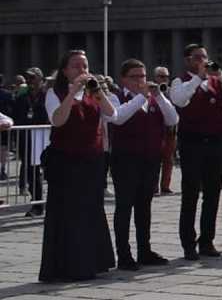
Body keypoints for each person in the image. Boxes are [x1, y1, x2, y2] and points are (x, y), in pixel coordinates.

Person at [39, 50, 117, 282]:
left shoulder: (93, 93)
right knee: (68, 212)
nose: (82, 70)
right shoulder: (55, 92)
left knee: (90, 210)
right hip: (65, 160)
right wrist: (72, 92)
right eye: (76, 66)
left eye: (85, 66)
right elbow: (58, 119)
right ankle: (68, 265)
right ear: (65, 71)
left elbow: (112, 114)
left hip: (91, 159)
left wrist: (99, 92)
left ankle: (92, 261)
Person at [171, 44, 222, 260]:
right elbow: (180, 100)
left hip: (215, 142)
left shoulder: (217, 81)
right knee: (191, 194)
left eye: (204, 57)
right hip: (192, 143)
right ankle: (188, 243)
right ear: (187, 60)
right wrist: (198, 78)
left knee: (213, 193)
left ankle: (207, 240)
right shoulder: (181, 81)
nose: (202, 61)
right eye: (197, 58)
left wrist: (221, 75)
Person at [107, 59, 179, 269]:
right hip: (125, 159)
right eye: (135, 77)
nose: (141, 80)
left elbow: (173, 119)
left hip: (150, 159)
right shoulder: (116, 97)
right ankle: (124, 254)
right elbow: (119, 118)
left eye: (143, 76)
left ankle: (144, 250)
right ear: (124, 79)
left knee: (144, 207)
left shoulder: (153, 99)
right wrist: (141, 96)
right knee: (124, 207)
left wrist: (160, 96)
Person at [11, 68, 49, 216]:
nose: (30, 81)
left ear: (40, 79)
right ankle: (37, 203)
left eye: (33, 78)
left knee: (51, 171)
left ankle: (55, 202)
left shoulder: (47, 96)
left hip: (44, 137)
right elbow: (15, 116)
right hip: (27, 138)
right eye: (28, 78)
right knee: (31, 172)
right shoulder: (22, 97)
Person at [153, 66, 177, 196]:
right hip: (157, 130)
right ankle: (154, 186)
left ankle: (165, 186)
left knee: (169, 159)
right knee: (155, 159)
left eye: (166, 77)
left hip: (170, 131)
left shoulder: (171, 91)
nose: (164, 79)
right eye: (161, 76)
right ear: (155, 77)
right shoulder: (152, 91)